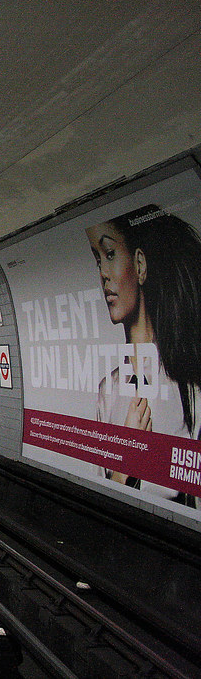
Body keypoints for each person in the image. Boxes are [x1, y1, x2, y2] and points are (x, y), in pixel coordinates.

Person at [87, 204, 201, 506]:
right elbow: (103, 495)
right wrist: (126, 459)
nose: (103, 274)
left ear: (140, 265)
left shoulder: (189, 387)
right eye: (97, 259)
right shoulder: (107, 390)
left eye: (109, 254)